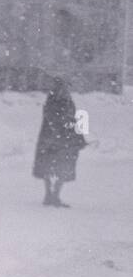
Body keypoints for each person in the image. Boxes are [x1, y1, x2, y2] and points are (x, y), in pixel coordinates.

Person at [33, 76, 86, 208]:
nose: (65, 90)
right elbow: (57, 121)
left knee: (56, 167)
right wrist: (65, 134)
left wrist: (79, 137)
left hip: (56, 140)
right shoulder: (55, 102)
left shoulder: (61, 102)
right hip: (56, 141)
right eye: (64, 87)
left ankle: (53, 195)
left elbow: (73, 120)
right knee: (54, 167)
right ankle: (51, 195)